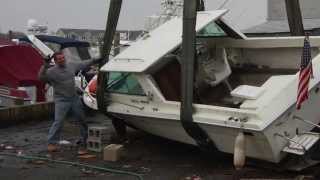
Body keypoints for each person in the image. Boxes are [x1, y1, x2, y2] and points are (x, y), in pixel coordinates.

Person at [38, 52, 103, 152]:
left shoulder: (71, 65)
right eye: (59, 59)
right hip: (61, 100)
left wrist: (95, 59)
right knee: (58, 121)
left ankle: (85, 139)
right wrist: (45, 65)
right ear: (55, 61)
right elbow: (41, 78)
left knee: (82, 119)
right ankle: (51, 142)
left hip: (74, 98)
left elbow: (84, 63)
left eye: (63, 58)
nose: (62, 60)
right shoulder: (51, 71)